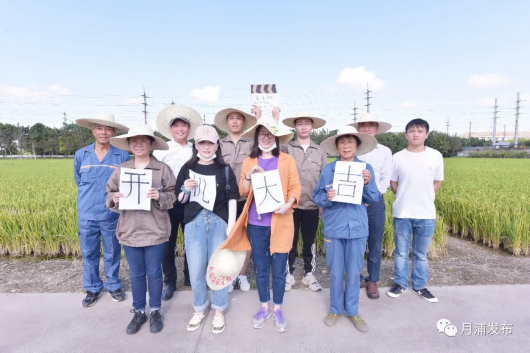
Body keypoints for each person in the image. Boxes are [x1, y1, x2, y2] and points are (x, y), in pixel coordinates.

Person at [223, 116, 301, 333]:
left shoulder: (286, 160)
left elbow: (295, 188)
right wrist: (248, 176)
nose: (266, 138)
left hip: (281, 222)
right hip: (257, 224)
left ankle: (277, 308)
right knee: (260, 268)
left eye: (270, 134)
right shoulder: (250, 162)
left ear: (276, 137)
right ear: (256, 138)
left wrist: (288, 204)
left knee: (278, 269)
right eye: (262, 134)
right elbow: (243, 191)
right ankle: (263, 306)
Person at [106, 123, 176, 334]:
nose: (138, 144)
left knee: (154, 273)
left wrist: (160, 196)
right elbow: (109, 195)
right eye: (134, 141)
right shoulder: (121, 170)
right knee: (136, 274)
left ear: (151, 144)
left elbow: (173, 196)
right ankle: (138, 311)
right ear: (129, 144)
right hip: (129, 230)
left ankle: (155, 310)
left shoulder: (162, 169)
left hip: (155, 229)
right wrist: (115, 198)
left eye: (143, 140)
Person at [313, 126, 380, 332]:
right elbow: (317, 197)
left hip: (358, 228)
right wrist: (328, 198)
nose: (346, 146)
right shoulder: (328, 170)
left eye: (350, 142)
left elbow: (374, 198)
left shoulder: (366, 169)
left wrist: (367, 183)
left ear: (357, 146)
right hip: (334, 228)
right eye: (342, 142)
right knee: (335, 272)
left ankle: (353, 311)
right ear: (337, 146)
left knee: (353, 272)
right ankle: (335, 309)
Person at [175, 126, 240, 334]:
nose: (206, 146)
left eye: (210, 143)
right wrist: (185, 188)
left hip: (218, 222)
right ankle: (200, 308)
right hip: (194, 222)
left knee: (219, 268)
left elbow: (232, 198)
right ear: (196, 145)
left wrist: (230, 225)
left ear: (217, 145)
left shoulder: (225, 169)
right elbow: (180, 199)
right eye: (202, 143)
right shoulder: (187, 168)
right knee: (196, 268)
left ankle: (219, 309)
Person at [73, 112, 130, 307]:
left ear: (113, 132)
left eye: (108, 129)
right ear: (93, 130)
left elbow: (124, 185)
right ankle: (92, 288)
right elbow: (79, 181)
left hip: (111, 213)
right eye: (99, 128)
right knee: (88, 252)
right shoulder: (81, 154)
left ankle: (113, 285)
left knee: (112, 251)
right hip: (87, 213)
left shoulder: (121, 155)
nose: (104, 132)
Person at [387, 119, 444, 303]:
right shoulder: (397, 157)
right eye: (412, 131)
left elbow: (438, 182)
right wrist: (404, 195)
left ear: (427, 134)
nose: (416, 134)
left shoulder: (436, 156)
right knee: (401, 252)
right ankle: (400, 283)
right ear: (406, 134)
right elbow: (393, 183)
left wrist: (424, 195)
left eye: (420, 131)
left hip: (426, 213)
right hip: (402, 212)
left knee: (420, 254)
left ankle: (419, 286)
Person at [153, 104, 203, 300]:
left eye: (184, 126)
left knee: (194, 242)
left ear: (189, 129)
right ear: (171, 129)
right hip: (169, 202)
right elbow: (155, 177)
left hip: (194, 201)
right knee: (168, 243)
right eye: (176, 126)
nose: (180, 129)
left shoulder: (197, 148)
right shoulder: (161, 150)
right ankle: (170, 281)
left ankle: (191, 277)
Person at [281, 111, 328, 292]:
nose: (303, 127)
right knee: (289, 241)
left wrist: (322, 203)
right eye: (299, 124)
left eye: (306, 123)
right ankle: (288, 274)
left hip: (312, 204)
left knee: (309, 241)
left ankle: (309, 274)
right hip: (290, 204)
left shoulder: (320, 152)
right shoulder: (287, 148)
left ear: (312, 127)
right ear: (295, 127)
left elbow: (324, 179)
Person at [214, 107, 257, 293]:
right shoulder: (218, 144)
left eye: (238, 118)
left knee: (246, 238)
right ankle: (229, 275)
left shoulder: (251, 144)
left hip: (247, 197)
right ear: (226, 123)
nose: (235, 121)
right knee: (226, 237)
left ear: (244, 123)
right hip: (224, 199)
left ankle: (242, 274)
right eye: (231, 118)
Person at [349, 113, 392, 299]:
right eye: (363, 125)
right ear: (358, 128)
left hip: (374, 203)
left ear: (376, 129)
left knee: (374, 241)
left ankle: (372, 280)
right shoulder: (352, 148)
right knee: (354, 240)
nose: (367, 128)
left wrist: (371, 196)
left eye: (371, 125)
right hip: (351, 201)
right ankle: (354, 276)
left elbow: (385, 180)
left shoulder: (385, 151)